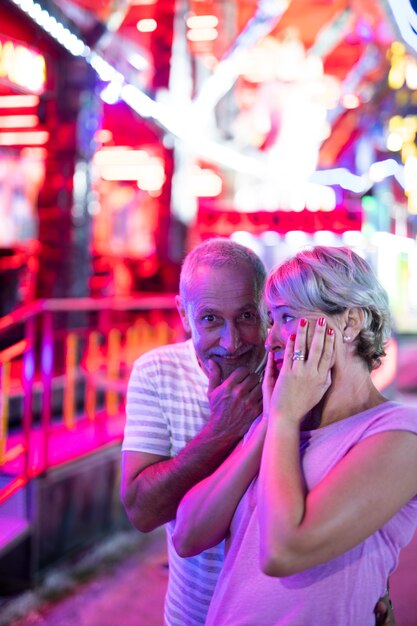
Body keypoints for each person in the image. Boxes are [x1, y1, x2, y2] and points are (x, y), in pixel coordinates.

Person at [173, 245, 412, 626]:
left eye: (287, 317)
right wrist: (270, 423)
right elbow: (187, 535)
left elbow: (283, 552)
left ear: (349, 323)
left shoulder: (398, 435)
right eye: (271, 319)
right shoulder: (282, 423)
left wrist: (282, 420)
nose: (271, 339)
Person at [120, 238, 267, 626]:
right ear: (184, 317)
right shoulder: (158, 372)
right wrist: (222, 430)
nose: (232, 342)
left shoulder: (291, 370)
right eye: (210, 319)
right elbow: (142, 510)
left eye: (247, 316)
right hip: (195, 616)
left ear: (265, 309)